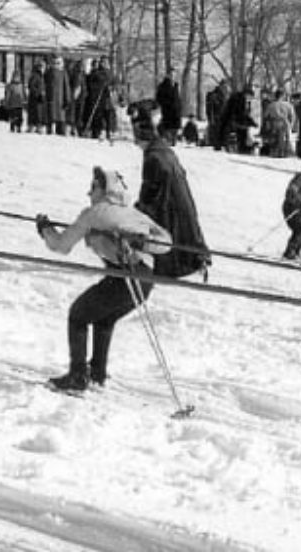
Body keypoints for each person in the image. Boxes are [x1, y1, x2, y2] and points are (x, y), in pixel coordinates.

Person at [37, 166, 172, 391]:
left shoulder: (93, 213)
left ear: (105, 190)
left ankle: (77, 377)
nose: (89, 193)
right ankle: (97, 374)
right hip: (145, 278)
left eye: (93, 187)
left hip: (124, 277)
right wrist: (142, 242)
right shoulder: (135, 214)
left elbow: (61, 246)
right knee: (103, 319)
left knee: (78, 315)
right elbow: (167, 242)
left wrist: (45, 230)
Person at [134, 112, 210, 280]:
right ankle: (195, 259)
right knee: (186, 230)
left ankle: (176, 266)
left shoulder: (153, 157)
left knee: (168, 232)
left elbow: (150, 190)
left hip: (169, 202)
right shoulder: (163, 150)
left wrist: (137, 210)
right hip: (180, 198)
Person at [156, 70, 182, 143]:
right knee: (168, 124)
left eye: (174, 75)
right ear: (167, 75)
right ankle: (168, 138)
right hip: (167, 109)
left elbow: (178, 97)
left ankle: (174, 139)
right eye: (171, 75)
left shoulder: (176, 85)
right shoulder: (162, 86)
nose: (173, 77)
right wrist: (166, 104)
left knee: (176, 125)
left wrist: (179, 106)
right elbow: (159, 98)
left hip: (176, 109)